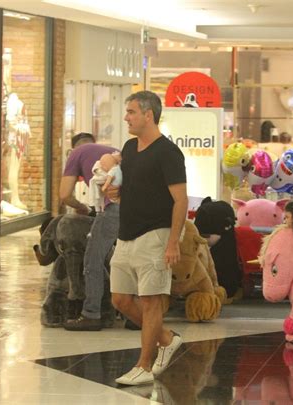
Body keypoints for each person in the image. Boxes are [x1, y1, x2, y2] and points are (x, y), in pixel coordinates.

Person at [107, 91, 188, 386]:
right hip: (126, 234)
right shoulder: (129, 148)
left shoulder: (168, 152)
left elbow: (181, 201)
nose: (126, 117)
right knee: (120, 299)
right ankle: (166, 339)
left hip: (155, 235)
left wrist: (173, 242)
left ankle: (144, 364)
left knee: (152, 302)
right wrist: (115, 192)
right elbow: (129, 187)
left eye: (131, 112)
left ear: (148, 115)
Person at [59, 132, 120, 331]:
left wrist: (82, 208)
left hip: (114, 208)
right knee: (126, 260)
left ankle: (91, 314)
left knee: (92, 259)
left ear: (73, 148)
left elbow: (65, 195)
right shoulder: (110, 151)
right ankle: (134, 315)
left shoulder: (76, 154)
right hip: (135, 208)